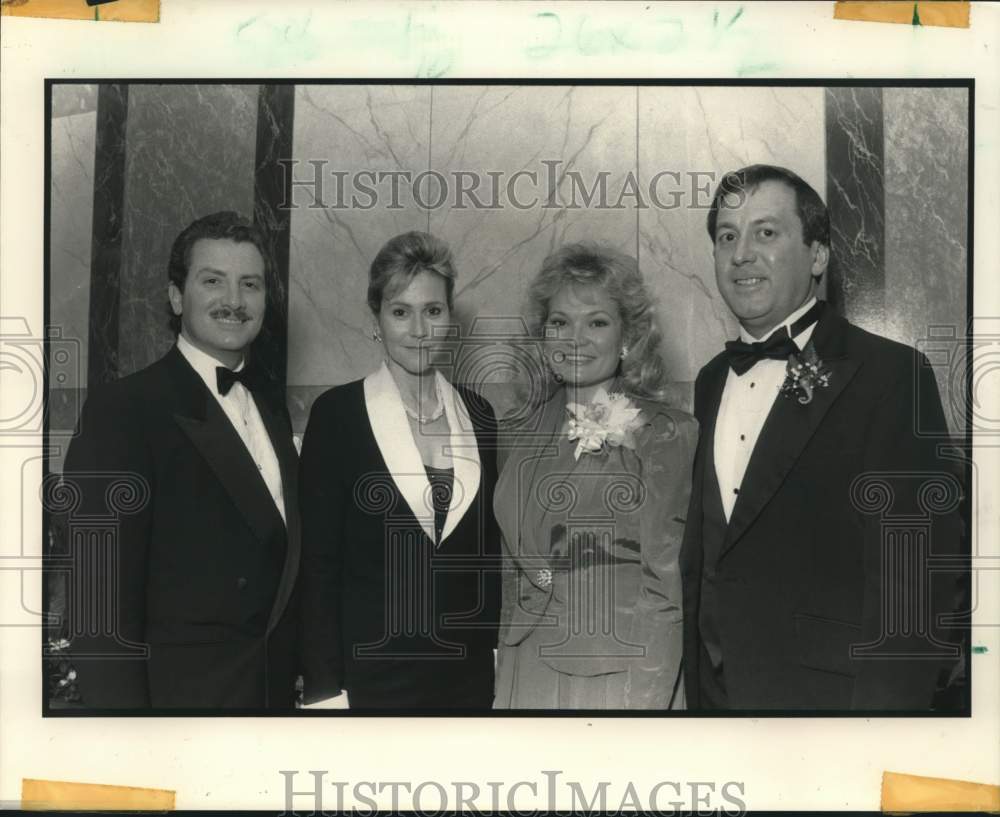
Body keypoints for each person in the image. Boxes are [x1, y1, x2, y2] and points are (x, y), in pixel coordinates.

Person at [681, 164, 965, 711]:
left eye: (766, 232)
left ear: (817, 255)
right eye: (727, 236)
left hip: (830, 707)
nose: (741, 254)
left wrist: (881, 738)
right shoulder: (710, 380)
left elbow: (915, 589)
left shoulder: (891, 375)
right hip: (715, 702)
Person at [58, 211, 300, 709]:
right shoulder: (124, 410)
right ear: (176, 296)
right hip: (177, 711)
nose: (234, 301)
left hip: (267, 705)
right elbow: (98, 611)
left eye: (249, 284)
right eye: (213, 281)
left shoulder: (271, 410)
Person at [299, 231, 501, 710]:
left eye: (432, 311)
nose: (418, 329)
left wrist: (494, 660)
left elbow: (487, 559)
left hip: (467, 681)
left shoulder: (480, 415)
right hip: (370, 683)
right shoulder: (338, 414)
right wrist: (325, 691)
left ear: (450, 319)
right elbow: (317, 569)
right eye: (400, 311)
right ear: (377, 320)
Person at [493, 243, 696, 709]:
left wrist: (647, 705)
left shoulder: (664, 434)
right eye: (560, 322)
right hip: (526, 669)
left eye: (597, 322)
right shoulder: (517, 430)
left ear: (628, 336)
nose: (575, 338)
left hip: (616, 675)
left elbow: (665, 590)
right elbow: (513, 568)